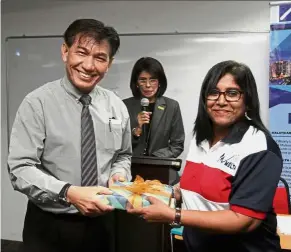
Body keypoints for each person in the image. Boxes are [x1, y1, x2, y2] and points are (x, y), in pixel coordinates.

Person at [128, 60, 283, 252]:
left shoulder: (259, 147)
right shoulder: (201, 137)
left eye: (232, 93)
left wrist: (173, 215)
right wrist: (169, 191)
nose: (221, 101)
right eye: (213, 92)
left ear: (248, 99)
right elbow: (198, 185)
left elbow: (242, 220)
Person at [7, 19, 132, 252]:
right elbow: (20, 168)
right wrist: (68, 193)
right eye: (81, 53)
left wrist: (119, 174)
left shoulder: (116, 106)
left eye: (100, 57)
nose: (88, 65)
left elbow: (123, 155)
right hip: (49, 226)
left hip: (102, 225)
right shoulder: (37, 104)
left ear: (109, 63)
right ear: (65, 51)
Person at [123, 57, 185, 184]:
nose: (148, 85)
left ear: (160, 82)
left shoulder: (172, 106)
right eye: (142, 80)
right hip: (130, 170)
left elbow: (177, 145)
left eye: (153, 80)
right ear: (136, 82)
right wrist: (136, 130)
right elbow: (118, 145)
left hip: (161, 170)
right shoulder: (124, 105)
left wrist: (155, 158)